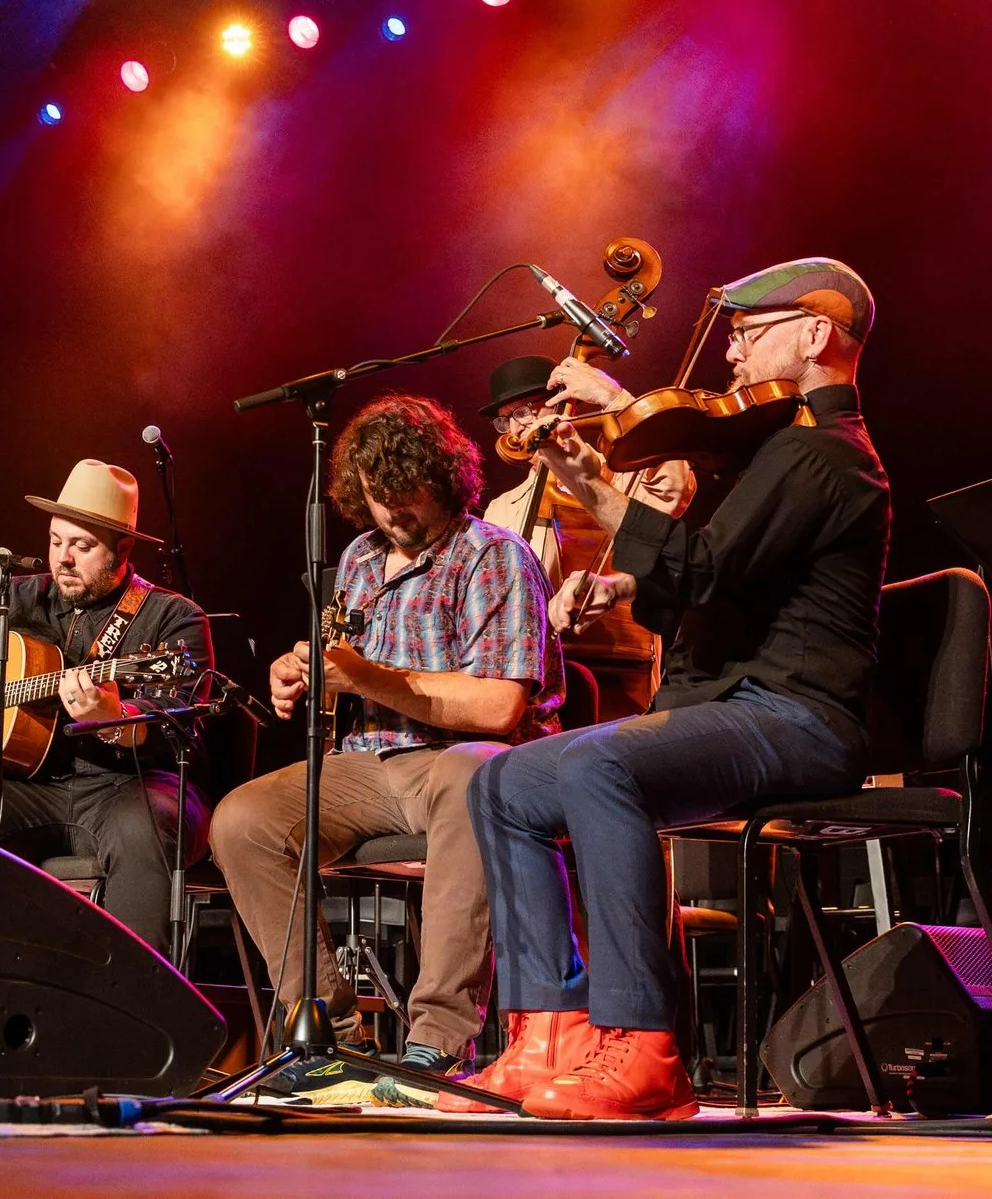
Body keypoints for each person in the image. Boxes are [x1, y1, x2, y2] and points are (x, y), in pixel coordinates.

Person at [460, 258, 891, 1119]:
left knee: (598, 767)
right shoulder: (778, 447)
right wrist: (617, 562)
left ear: (814, 335)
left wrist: (591, 482)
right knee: (502, 780)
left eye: (750, 331)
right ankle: (550, 1028)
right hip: (735, 705)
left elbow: (697, 567)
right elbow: (709, 582)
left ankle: (646, 1047)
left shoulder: (824, 454)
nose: (731, 352)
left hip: (798, 717)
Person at [210, 393, 556, 1103]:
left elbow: (499, 705)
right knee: (241, 819)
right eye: (377, 499)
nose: (393, 514)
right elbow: (345, 668)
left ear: (446, 478)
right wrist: (300, 670)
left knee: (472, 777)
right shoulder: (361, 559)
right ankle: (330, 1036)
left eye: (407, 497)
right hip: (369, 764)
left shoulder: (492, 555)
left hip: (464, 756)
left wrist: (367, 674)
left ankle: (437, 1039)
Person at [0, 460, 212, 956]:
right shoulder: (21, 597)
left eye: (82, 547)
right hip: (30, 787)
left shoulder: (173, 618)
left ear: (122, 550)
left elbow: (182, 722)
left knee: (143, 825)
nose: (63, 558)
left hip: (129, 787)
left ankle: (134, 1006)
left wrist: (114, 719)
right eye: (56, 540)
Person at [478, 354, 695, 719]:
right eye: (506, 418)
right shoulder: (502, 508)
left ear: (566, 403)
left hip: (617, 672)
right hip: (536, 683)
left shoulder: (616, 475)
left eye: (525, 411)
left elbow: (672, 483)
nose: (515, 429)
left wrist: (617, 402)